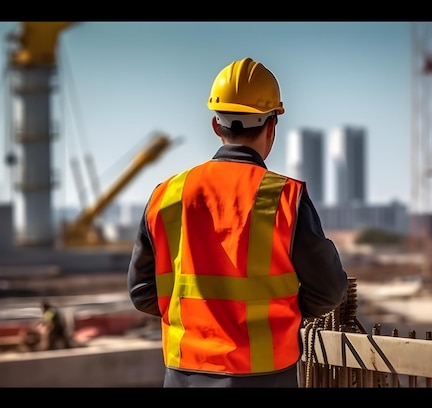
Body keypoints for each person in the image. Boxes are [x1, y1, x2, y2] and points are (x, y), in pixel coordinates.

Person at [127, 57, 348, 388]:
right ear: (272, 126)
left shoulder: (168, 194)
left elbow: (143, 291)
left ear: (216, 126)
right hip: (265, 378)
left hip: (185, 376)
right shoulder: (285, 197)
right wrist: (279, 314)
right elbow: (329, 291)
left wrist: (201, 323)